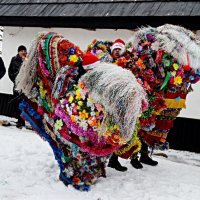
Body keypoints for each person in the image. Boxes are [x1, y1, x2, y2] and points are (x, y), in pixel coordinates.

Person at [8, 45, 27, 128]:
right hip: (16, 85)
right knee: (16, 103)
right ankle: (19, 119)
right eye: (21, 51)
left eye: (24, 50)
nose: (23, 52)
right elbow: (9, 71)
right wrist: (14, 80)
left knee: (22, 103)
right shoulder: (14, 59)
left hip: (24, 86)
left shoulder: (27, 60)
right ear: (18, 52)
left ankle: (21, 121)